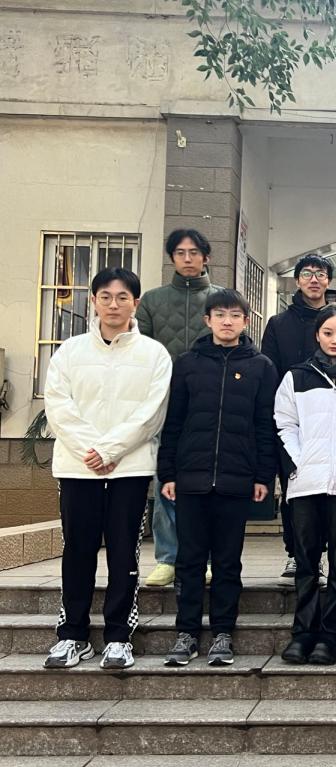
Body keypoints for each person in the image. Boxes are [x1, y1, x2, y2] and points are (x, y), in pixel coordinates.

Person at [43, 268, 172, 669]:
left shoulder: (154, 354)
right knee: (77, 550)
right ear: (94, 301)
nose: (113, 305)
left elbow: (152, 413)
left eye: (122, 297)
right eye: (105, 297)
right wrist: (93, 451)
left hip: (129, 468)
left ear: (135, 303)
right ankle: (72, 635)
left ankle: (119, 636)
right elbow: (58, 407)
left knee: (123, 551)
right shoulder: (69, 352)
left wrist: (112, 449)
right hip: (78, 467)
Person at [159, 290, 278, 667]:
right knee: (189, 560)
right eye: (220, 314)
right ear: (207, 320)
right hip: (191, 479)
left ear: (246, 321)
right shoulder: (187, 364)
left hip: (236, 479)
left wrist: (264, 476)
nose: (227, 321)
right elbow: (173, 422)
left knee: (228, 561)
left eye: (235, 315)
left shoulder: (261, 366)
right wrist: (168, 473)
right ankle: (187, 633)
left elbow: (265, 425)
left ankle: (223, 632)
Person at [275, 305, 336, 665]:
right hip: (306, 482)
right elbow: (284, 423)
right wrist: (299, 461)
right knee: (306, 562)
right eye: (329, 333)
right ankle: (303, 633)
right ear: (317, 335)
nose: (335, 340)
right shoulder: (296, 377)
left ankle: (331, 635)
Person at [137, 229, 224, 588]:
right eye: (180, 253)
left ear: (206, 256)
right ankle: (168, 557)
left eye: (194, 252)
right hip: (166, 404)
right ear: (171, 257)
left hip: (212, 405)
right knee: (166, 481)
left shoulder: (220, 299)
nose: (187, 259)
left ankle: (206, 558)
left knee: (211, 486)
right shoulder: (152, 301)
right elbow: (139, 351)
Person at [261, 253, 336, 584]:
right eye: (307, 273)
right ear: (297, 280)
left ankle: (319, 555)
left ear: (328, 280)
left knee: (328, 492)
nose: (314, 279)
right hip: (293, 420)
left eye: (320, 274)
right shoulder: (279, 324)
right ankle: (296, 553)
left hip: (331, 420)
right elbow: (270, 372)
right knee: (294, 489)